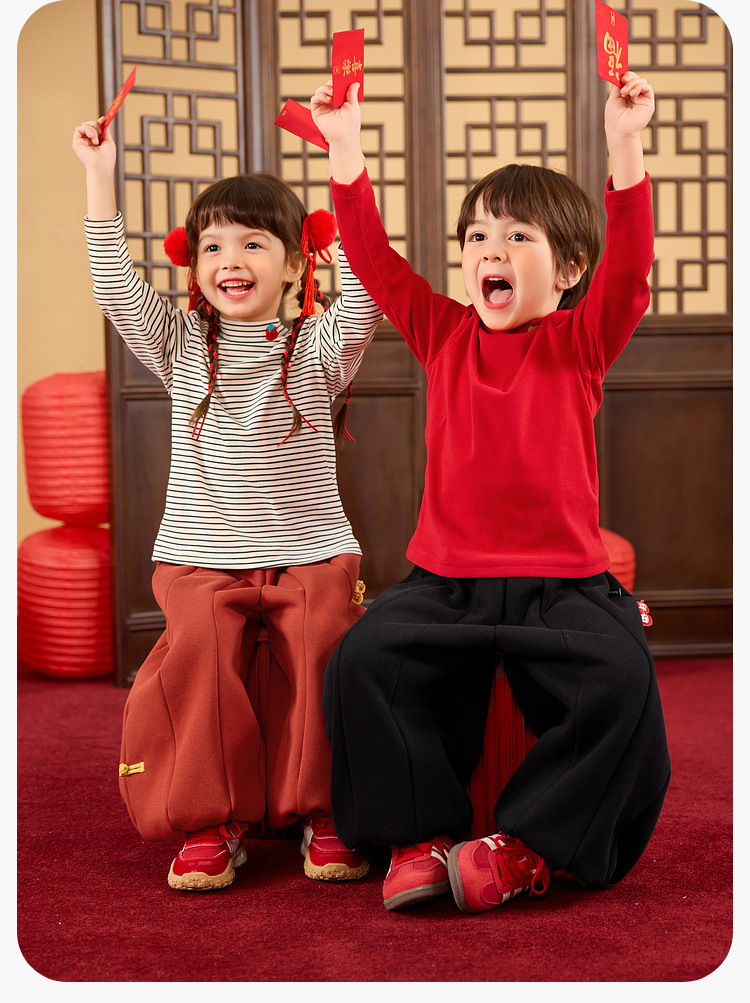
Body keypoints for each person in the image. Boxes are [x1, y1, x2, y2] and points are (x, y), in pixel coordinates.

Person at [311, 71, 671, 913]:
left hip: (564, 586)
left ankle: (522, 847)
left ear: (569, 268)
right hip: (447, 583)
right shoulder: (442, 331)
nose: (490, 252)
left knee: (624, 681)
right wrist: (345, 147)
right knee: (363, 661)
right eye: (477, 236)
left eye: (516, 236)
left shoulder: (581, 341)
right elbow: (374, 260)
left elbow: (631, 268)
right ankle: (418, 838)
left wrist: (624, 142)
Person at [72, 115, 382, 891]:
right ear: (193, 263)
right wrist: (100, 175)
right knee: (202, 657)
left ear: (296, 262)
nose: (229, 261)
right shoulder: (178, 341)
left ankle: (326, 811)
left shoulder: (317, 345)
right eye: (212, 246)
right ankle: (211, 821)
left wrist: (346, 161)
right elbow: (114, 285)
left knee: (326, 647)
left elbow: (369, 296)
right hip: (198, 555)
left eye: (252, 243)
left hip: (312, 550)